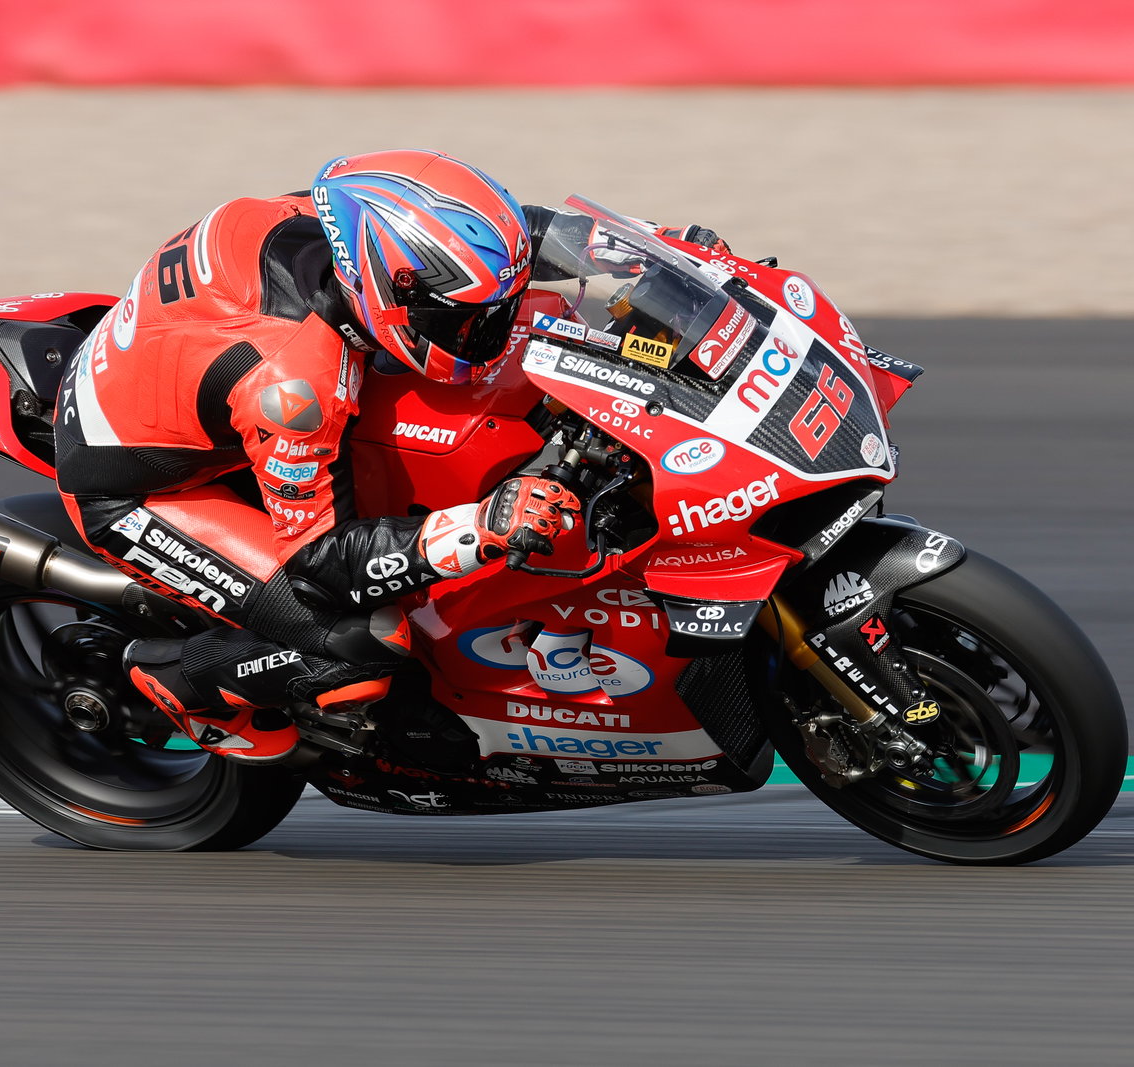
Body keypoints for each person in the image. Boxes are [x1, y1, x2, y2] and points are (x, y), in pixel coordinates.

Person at [54, 149, 725, 763]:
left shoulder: (357, 224)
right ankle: (181, 679)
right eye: (467, 322)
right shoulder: (294, 388)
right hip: (143, 487)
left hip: (179, 367)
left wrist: (663, 258)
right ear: (390, 292)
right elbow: (322, 563)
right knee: (364, 642)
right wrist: (484, 525)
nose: (489, 332)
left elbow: (522, 234)